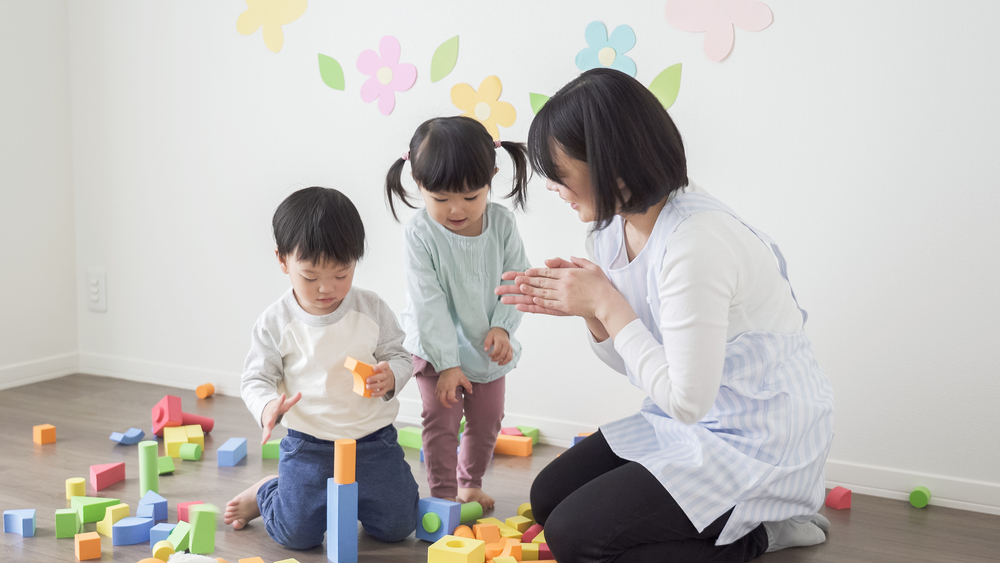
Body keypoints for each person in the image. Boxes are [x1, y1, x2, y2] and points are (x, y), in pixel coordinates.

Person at [496, 68, 835, 562]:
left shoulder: (697, 243)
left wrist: (607, 304)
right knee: (549, 498)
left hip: (755, 439)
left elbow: (686, 400)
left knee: (575, 537)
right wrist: (593, 315)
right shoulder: (612, 229)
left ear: (613, 169)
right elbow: (643, 366)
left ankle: (767, 529)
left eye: (560, 174)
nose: (552, 187)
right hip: (690, 420)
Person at [224, 186, 418, 549]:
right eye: (310, 277)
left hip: (373, 441)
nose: (326, 288)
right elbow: (256, 378)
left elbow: (401, 356)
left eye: (341, 274)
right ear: (283, 261)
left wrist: (391, 375)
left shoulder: (371, 309)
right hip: (309, 446)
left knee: (398, 526)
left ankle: (354, 500)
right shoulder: (276, 321)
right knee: (296, 536)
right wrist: (268, 406)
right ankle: (268, 491)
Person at [385, 116, 532, 509]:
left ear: (491, 179)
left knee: (487, 421)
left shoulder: (501, 224)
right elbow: (427, 303)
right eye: (441, 198)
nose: (456, 210)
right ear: (419, 183)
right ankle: (444, 495)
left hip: (486, 346)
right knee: (442, 422)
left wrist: (502, 327)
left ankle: (471, 483)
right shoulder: (420, 235)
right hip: (436, 349)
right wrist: (447, 363)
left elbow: (516, 279)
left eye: (470, 197)